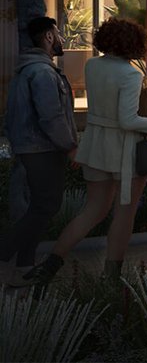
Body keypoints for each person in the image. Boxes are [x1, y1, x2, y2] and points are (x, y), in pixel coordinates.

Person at [18, 17, 147, 288]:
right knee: (124, 215)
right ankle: (111, 278)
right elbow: (127, 120)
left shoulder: (92, 66)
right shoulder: (131, 73)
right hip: (125, 150)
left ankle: (50, 266)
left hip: (96, 146)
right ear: (134, 43)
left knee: (92, 211)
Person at [1, 17, 78, 286]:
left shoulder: (29, 70)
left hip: (32, 148)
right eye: (57, 33)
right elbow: (51, 117)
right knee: (46, 205)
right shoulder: (42, 73)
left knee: (39, 207)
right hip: (42, 149)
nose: (61, 39)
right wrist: (69, 146)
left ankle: (24, 266)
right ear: (47, 37)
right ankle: (6, 255)